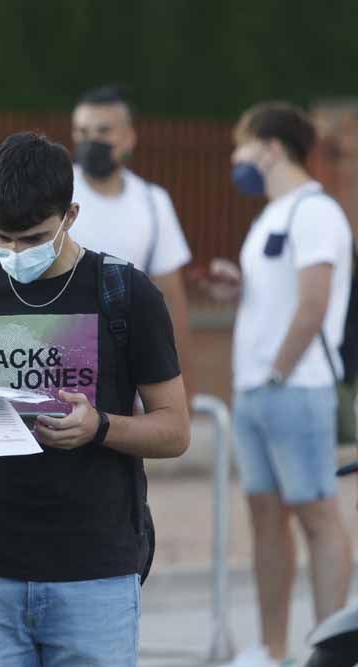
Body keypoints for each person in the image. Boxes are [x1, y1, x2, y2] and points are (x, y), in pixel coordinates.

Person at [0, 132, 190, 666]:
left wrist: (99, 427)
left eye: (34, 238)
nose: (17, 253)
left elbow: (175, 430)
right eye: (3, 238)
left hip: (96, 573)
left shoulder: (124, 293)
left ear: (70, 215)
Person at [201, 103, 354, 667]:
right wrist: (237, 288)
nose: (237, 160)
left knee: (317, 514)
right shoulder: (272, 215)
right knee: (265, 517)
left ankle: (333, 650)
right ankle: (273, 648)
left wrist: (280, 371)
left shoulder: (316, 212)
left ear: (269, 147)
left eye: (242, 148)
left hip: (296, 388)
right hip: (258, 391)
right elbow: (284, 294)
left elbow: (314, 304)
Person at [70, 85, 196, 403]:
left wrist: (182, 385)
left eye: (103, 131)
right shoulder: (56, 193)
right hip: (63, 360)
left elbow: (171, 297)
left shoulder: (153, 202)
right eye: (83, 131)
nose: (91, 141)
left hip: (132, 365)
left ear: (128, 137)